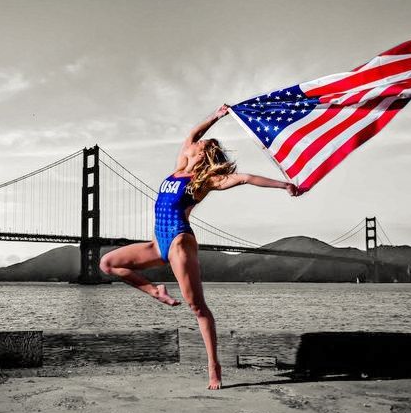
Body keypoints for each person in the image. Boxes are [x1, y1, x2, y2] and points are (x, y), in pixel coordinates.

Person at [100, 104, 299, 390]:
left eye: (201, 144)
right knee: (108, 263)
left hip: (180, 242)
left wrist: (283, 185)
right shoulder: (179, 167)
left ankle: (213, 367)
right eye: (197, 142)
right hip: (158, 243)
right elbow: (194, 131)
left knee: (197, 307)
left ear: (202, 154)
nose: (195, 142)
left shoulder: (204, 182)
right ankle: (156, 292)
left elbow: (244, 178)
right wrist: (217, 116)